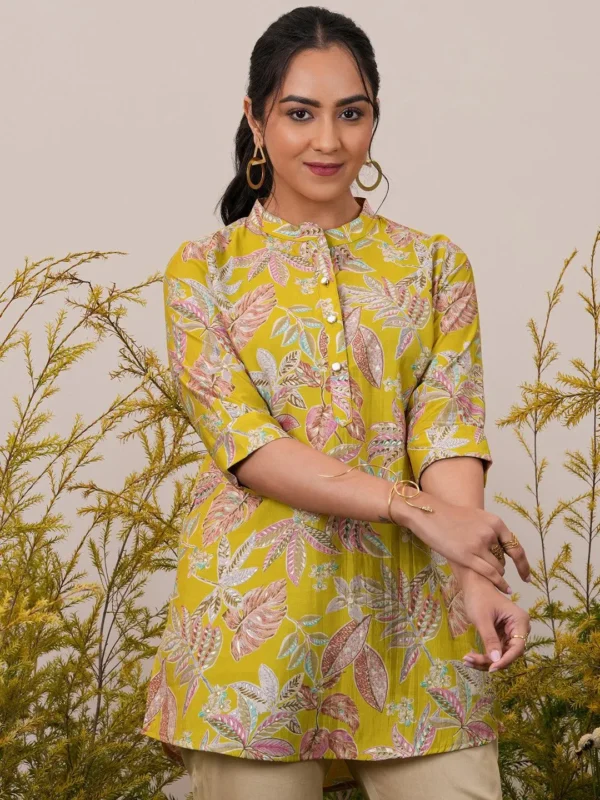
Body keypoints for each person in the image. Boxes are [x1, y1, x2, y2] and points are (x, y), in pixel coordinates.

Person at [141, 7, 532, 799]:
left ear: (375, 118)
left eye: (351, 114)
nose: (328, 140)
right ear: (255, 119)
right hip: (253, 628)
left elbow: (449, 430)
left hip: (412, 622)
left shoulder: (432, 265)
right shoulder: (203, 272)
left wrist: (474, 570)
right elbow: (250, 449)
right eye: (300, 113)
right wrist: (416, 510)